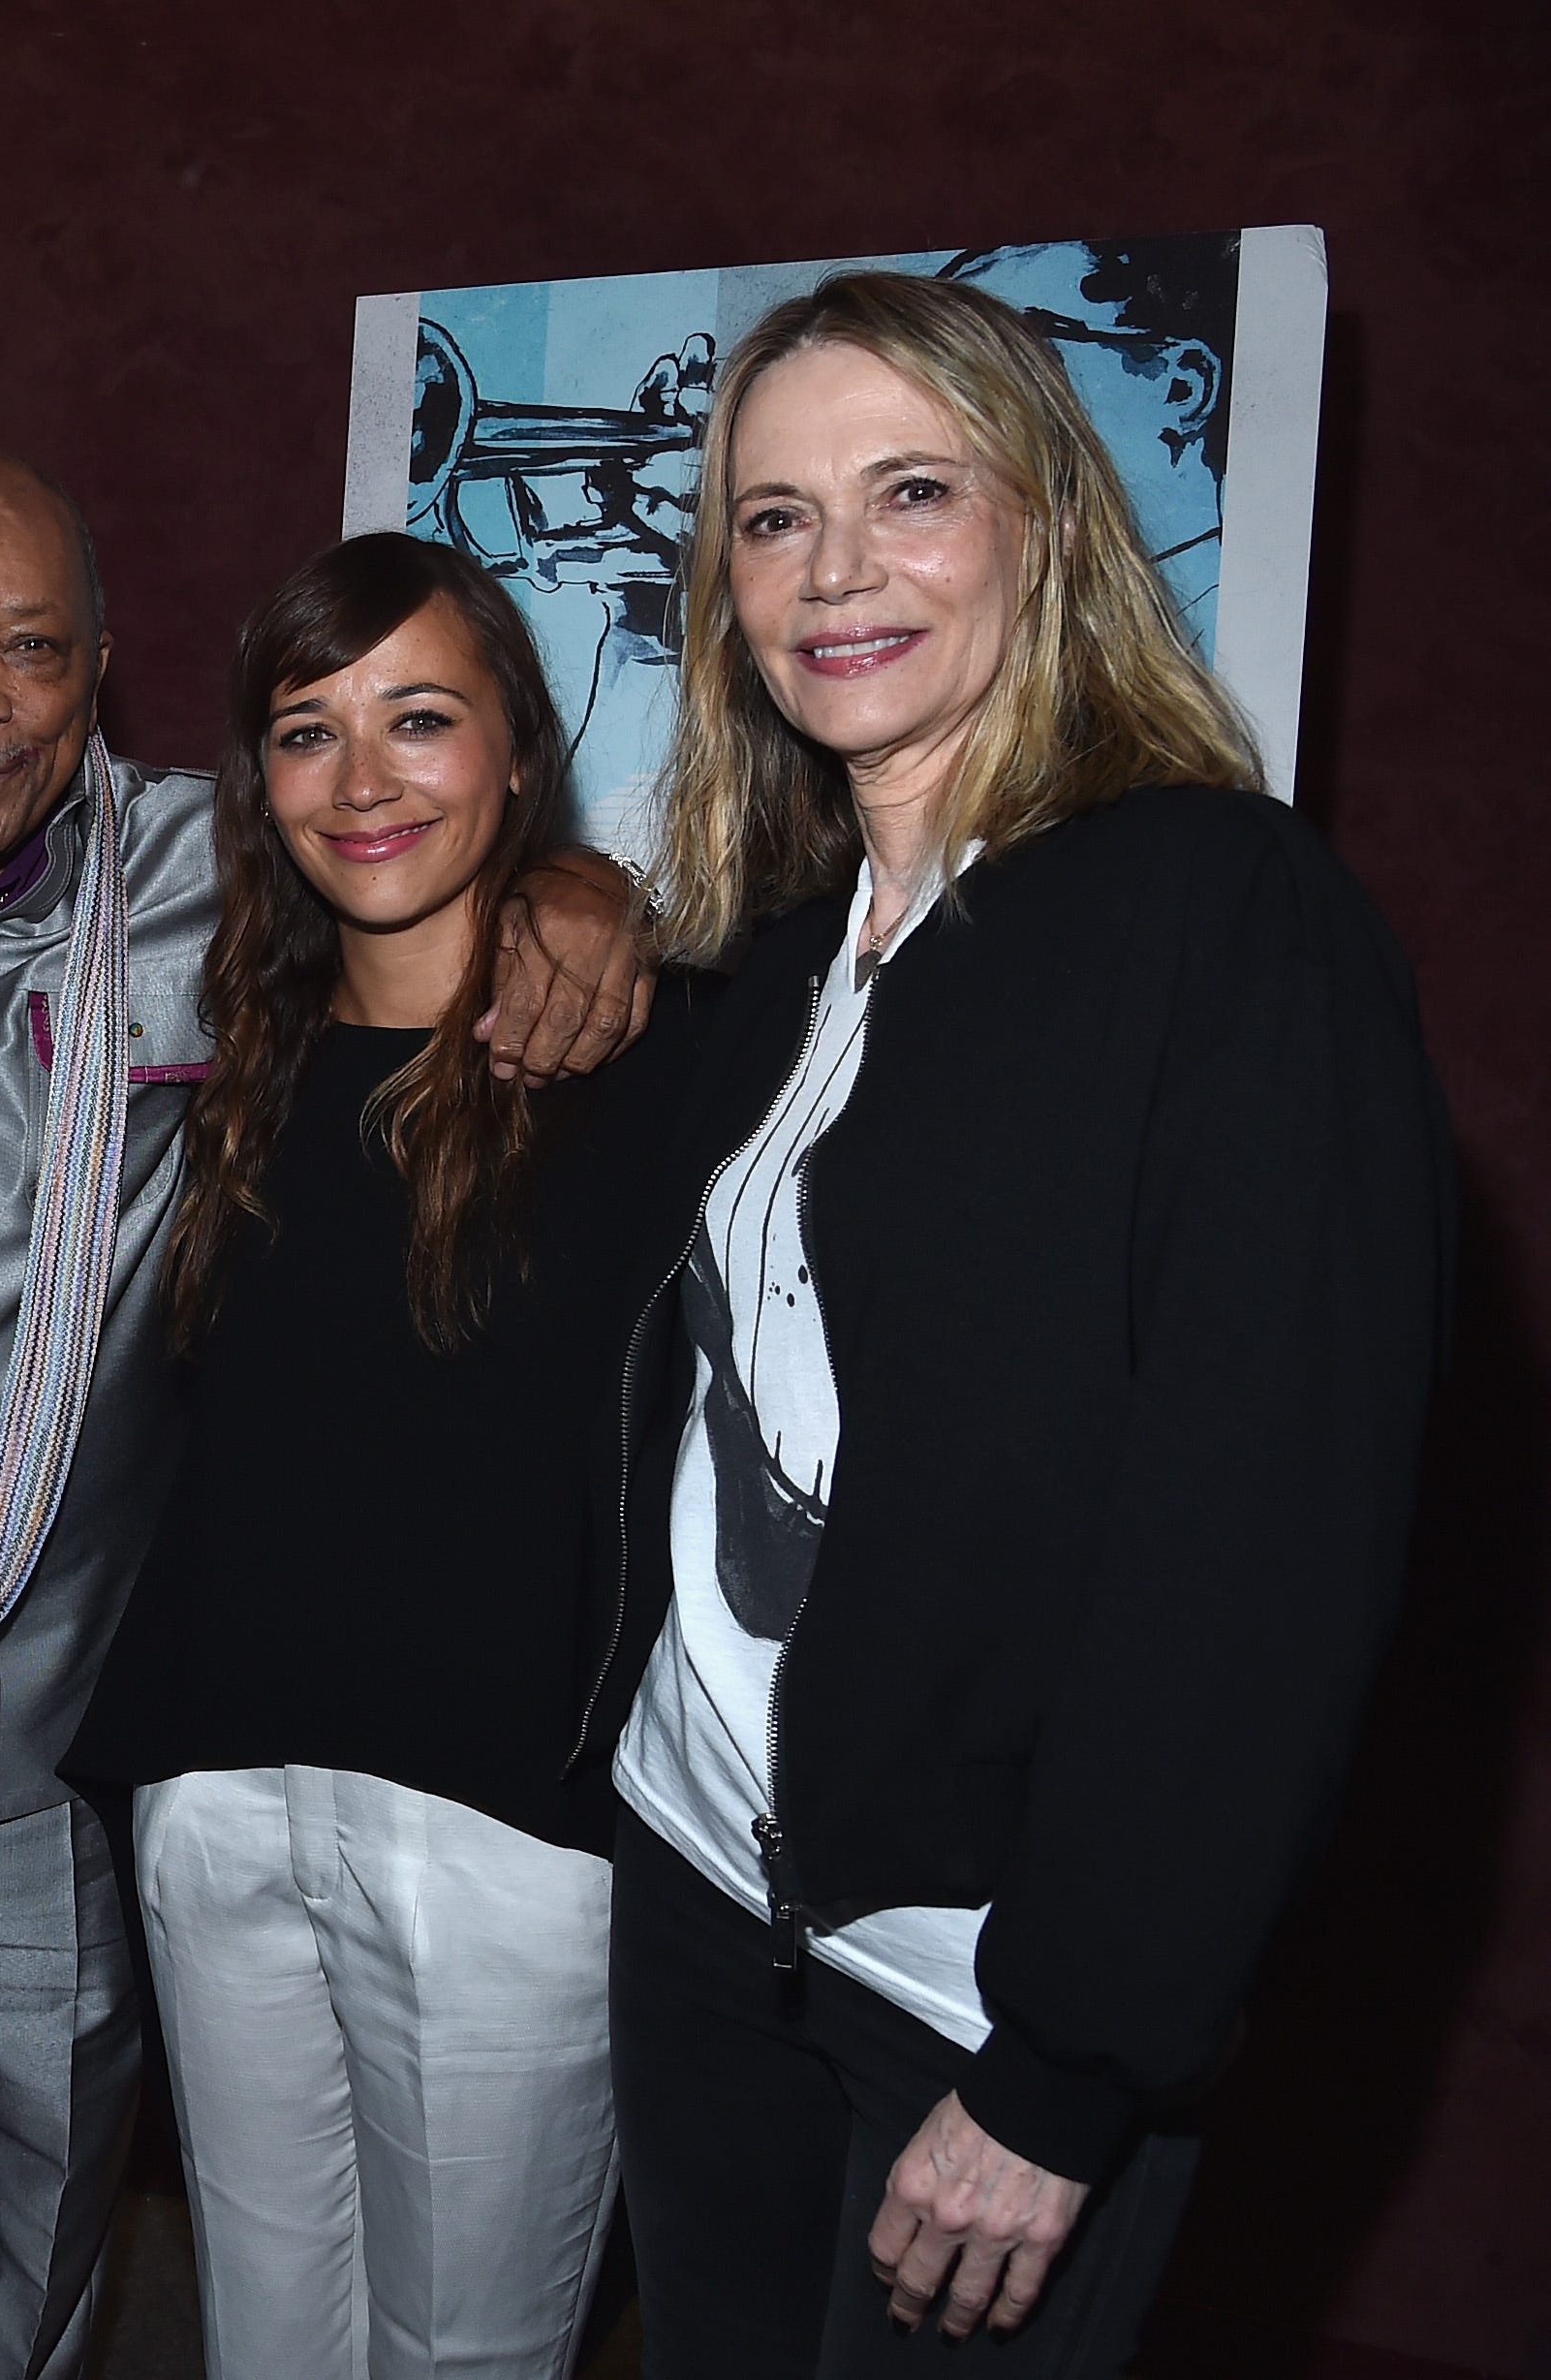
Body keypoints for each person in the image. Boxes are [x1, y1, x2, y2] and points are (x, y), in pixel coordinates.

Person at [0, 447, 656, 2378]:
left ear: (102, 674)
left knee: (32, 2227)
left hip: (46, 1735)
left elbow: (425, 839)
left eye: (31, 650)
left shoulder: (213, 874)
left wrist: (577, 887)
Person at [600, 271, 1450, 2373]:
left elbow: (1261, 1550)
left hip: (980, 2012)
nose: (837, 570)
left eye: (911, 491)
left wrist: (1074, 2059)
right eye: (774, 517)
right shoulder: (781, 962)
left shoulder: (1226, 918)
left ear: (1047, 525)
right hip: (701, 1908)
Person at [67, 531, 707, 2378]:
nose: (362, 782)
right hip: (219, 1799)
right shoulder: (235, 1055)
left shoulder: (663, 1059)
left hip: (504, 1835)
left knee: (467, 2355)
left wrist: (599, 894)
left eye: (420, 721)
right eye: (305, 730)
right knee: (261, 2337)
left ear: (519, 748)